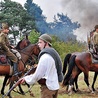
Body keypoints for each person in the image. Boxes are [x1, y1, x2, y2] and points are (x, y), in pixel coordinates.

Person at [19, 33, 63, 98]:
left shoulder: (45, 57)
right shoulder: (53, 54)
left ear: (46, 43)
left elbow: (38, 75)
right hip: (54, 86)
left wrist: (26, 78)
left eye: (40, 42)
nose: (38, 45)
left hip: (48, 88)